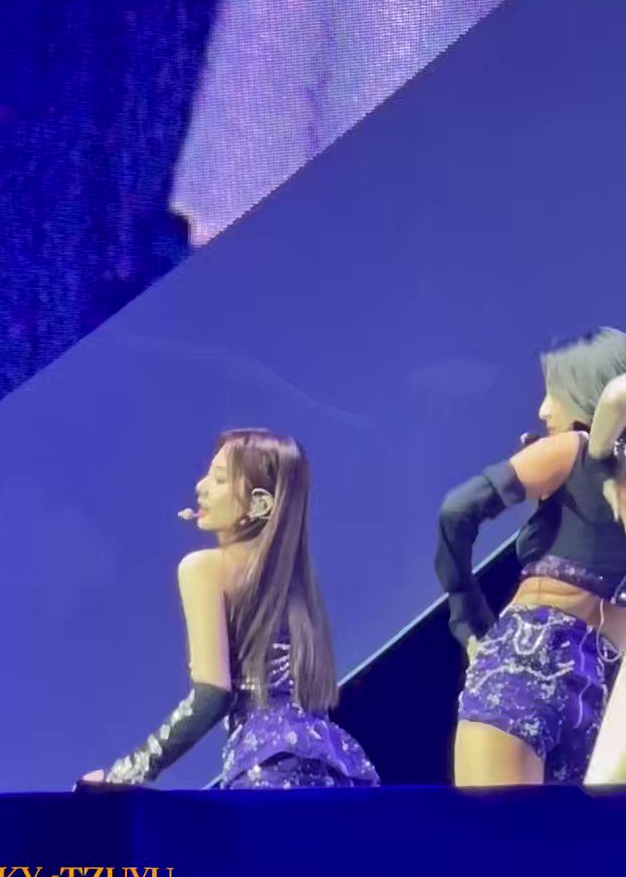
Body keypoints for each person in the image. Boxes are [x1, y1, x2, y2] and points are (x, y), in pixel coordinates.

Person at [82, 429, 379, 790]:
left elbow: (212, 694)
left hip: (265, 769)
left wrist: (124, 775)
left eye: (219, 479)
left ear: (260, 505)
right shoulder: (300, 583)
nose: (200, 487)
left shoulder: (203, 568)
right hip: (337, 767)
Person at [435, 327, 626, 785]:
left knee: (501, 827)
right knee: (562, 833)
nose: (543, 410)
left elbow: (458, 511)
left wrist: (466, 612)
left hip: (532, 658)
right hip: (603, 690)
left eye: (555, 392)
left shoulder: (573, 450)